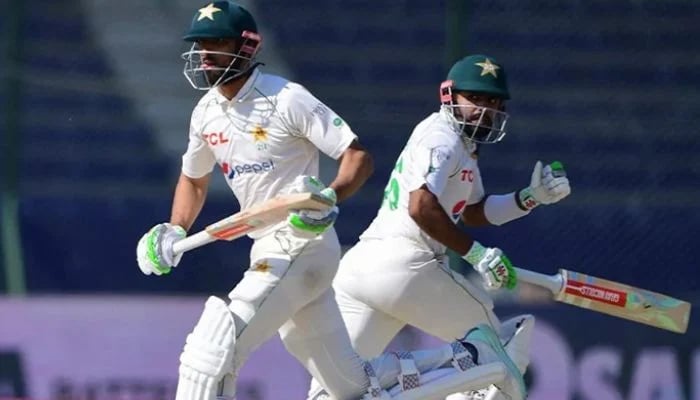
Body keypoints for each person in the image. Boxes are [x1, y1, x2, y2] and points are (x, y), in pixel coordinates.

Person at [136, 2, 527, 399]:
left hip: (301, 244)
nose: (204, 54)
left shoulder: (286, 98)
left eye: (215, 42)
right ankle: (468, 357)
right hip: (267, 247)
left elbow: (358, 158)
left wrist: (327, 197)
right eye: (200, 44)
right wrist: (175, 228)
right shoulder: (205, 113)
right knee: (349, 387)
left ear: (246, 47)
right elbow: (193, 179)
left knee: (214, 351)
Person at [308, 54, 572, 400]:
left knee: (337, 391)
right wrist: (476, 254)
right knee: (501, 348)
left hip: (363, 269)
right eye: (474, 99)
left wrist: (529, 197)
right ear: (449, 96)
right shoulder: (441, 137)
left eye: (492, 101)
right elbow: (421, 207)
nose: (484, 109)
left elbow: (473, 211)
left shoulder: (463, 145)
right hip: (406, 264)